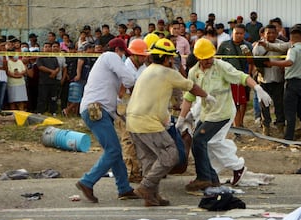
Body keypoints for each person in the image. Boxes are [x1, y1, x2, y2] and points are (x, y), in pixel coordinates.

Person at [176, 38, 272, 191]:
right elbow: (189, 96)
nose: (208, 60)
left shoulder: (221, 67)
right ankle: (212, 177)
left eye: (210, 57)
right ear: (198, 58)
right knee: (199, 143)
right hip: (207, 114)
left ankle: (205, 177)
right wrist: (182, 118)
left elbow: (242, 77)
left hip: (223, 112)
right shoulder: (194, 72)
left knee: (200, 140)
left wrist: (258, 88)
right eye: (205, 58)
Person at [126, 38, 210, 206]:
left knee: (149, 160)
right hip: (147, 123)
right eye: (171, 58)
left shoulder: (148, 70)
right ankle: (146, 186)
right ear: (166, 58)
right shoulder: (167, 72)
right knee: (171, 155)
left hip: (132, 122)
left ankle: (152, 197)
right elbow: (190, 86)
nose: (173, 61)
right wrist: (207, 96)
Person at [76, 38, 139, 203]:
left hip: (100, 111)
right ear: (118, 49)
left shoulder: (105, 63)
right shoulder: (109, 56)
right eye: (124, 53)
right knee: (113, 151)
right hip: (96, 110)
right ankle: (87, 181)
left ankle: (124, 188)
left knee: (115, 152)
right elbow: (130, 79)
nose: (124, 57)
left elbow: (115, 94)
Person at [260, 25, 301, 142]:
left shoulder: (292, 49)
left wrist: (273, 63)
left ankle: (288, 138)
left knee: (290, 113)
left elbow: (289, 62)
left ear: (291, 39)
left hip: (292, 84)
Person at [116, 39, 149, 183]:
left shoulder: (143, 69)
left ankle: (140, 169)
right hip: (124, 109)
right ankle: (131, 172)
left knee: (140, 141)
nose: (144, 58)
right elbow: (122, 92)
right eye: (142, 56)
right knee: (128, 141)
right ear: (133, 55)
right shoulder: (125, 69)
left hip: (139, 109)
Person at [217, 23, 254, 128]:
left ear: (244, 34)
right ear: (232, 33)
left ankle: (239, 124)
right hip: (226, 78)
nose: (238, 35)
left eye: (241, 34)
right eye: (236, 33)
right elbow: (217, 59)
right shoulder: (225, 45)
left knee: (242, 102)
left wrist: (247, 53)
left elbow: (251, 62)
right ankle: (231, 125)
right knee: (228, 103)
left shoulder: (247, 45)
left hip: (241, 77)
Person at [253, 24, 286, 136]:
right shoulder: (258, 46)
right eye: (268, 33)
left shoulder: (281, 45)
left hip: (278, 79)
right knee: (264, 106)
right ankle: (266, 127)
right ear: (264, 34)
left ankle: (280, 126)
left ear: (276, 34)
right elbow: (254, 61)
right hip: (264, 80)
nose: (271, 35)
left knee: (279, 105)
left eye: (273, 33)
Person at [36, 42, 60, 115]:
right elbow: (40, 67)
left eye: (49, 47)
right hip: (43, 81)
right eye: (45, 46)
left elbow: (58, 67)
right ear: (43, 48)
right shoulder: (40, 57)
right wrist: (51, 71)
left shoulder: (54, 57)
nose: (47, 48)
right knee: (42, 97)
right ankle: (40, 111)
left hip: (53, 81)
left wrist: (55, 72)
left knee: (53, 97)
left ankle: (53, 111)